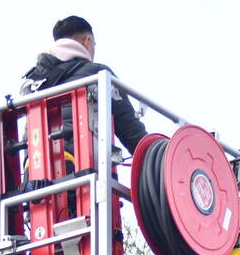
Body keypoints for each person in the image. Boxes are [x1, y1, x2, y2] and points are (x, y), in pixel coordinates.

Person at [21, 16, 147, 154]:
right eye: (94, 45)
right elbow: (132, 133)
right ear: (88, 41)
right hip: (79, 161)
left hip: (33, 164)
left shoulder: (35, 83)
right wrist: (159, 153)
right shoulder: (97, 75)